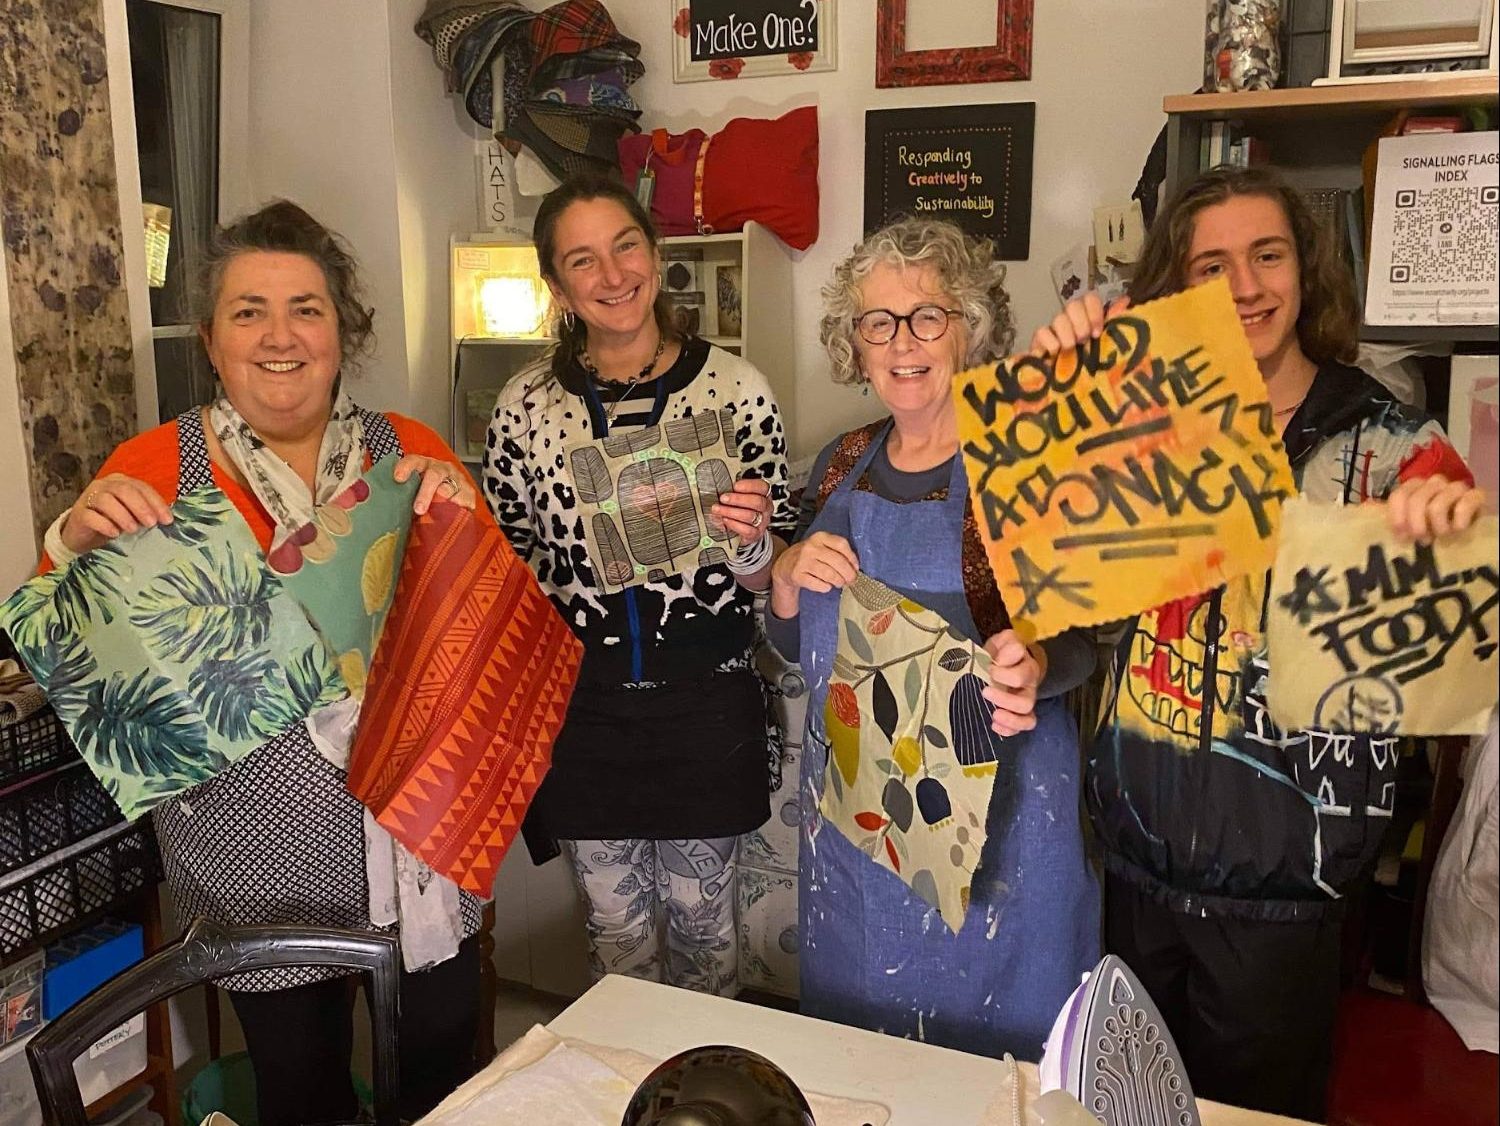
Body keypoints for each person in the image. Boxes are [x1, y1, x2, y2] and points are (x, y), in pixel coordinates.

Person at [1034, 165, 1483, 1120]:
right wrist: (1068, 389)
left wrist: (1450, 533)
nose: (1245, 287)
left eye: (1267, 255)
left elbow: (1452, 643)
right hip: (1135, 871)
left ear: (1305, 269)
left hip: (1286, 894)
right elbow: (1062, 608)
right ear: (1177, 287)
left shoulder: (1390, 445)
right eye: (1213, 266)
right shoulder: (1141, 425)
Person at [40, 200, 487, 1126]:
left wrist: (466, 524)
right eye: (249, 312)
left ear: (341, 331)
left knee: (447, 1085)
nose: (280, 336)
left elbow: (480, 634)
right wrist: (71, 544)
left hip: (420, 841)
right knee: (299, 1093)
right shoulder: (154, 470)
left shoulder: (410, 452)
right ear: (211, 340)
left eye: (306, 309)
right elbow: (72, 657)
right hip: (250, 862)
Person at [764, 217, 1099, 1059]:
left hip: (1005, 831)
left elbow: (1089, 634)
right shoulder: (837, 465)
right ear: (855, 342)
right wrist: (784, 576)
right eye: (878, 322)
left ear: (970, 328)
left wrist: (1038, 664)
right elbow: (795, 644)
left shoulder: (1026, 461)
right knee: (863, 1063)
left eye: (927, 316)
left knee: (1001, 1069)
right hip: (857, 832)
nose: (902, 342)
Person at [482, 173, 791, 996]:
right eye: (583, 259)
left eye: (625, 246)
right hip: (584, 714)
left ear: (655, 255)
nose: (613, 274)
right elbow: (507, 562)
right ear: (557, 286)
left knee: (705, 929)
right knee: (613, 933)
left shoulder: (737, 390)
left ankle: (705, 1074)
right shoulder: (525, 407)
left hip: (706, 705)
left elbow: (774, 574)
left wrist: (754, 539)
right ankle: (629, 1073)